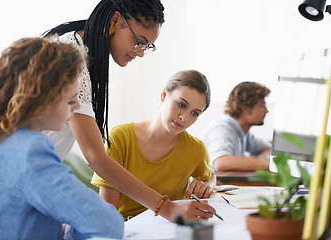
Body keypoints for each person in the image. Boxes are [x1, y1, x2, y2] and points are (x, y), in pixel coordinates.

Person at [42, 0, 215, 221]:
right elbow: (96, 157)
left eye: (147, 47)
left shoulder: (79, 52)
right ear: (116, 20)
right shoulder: (69, 58)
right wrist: (167, 208)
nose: (140, 53)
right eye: (139, 42)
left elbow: (210, 176)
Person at [0, 37, 124, 240]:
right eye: (71, 100)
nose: (77, 106)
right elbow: (108, 223)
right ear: (41, 100)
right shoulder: (30, 150)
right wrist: (69, 230)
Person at [92, 70, 217, 219]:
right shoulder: (120, 137)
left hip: (167, 228)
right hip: (124, 228)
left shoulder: (196, 149)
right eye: (181, 104)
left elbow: (211, 176)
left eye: (195, 113)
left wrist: (207, 185)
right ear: (164, 95)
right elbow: (108, 212)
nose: (184, 118)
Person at [201, 81, 271, 172]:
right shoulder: (222, 129)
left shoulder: (244, 133)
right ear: (245, 108)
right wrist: (268, 165)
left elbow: (269, 149)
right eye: (262, 105)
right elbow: (221, 162)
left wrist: (259, 160)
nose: (266, 111)